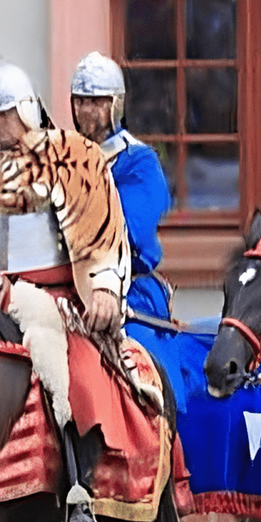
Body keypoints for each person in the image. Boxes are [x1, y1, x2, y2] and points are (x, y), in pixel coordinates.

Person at [0, 60, 160, 522]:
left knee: (77, 374)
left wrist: (103, 290)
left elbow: (101, 231)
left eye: (2, 114)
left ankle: (80, 491)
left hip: (59, 298)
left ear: (25, 110)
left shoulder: (73, 156)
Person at [67, 51, 172, 321]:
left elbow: (126, 233)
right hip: (73, 283)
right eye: (80, 101)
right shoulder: (67, 158)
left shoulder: (138, 162)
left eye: (96, 102)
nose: (86, 110)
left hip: (131, 288)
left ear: (115, 105)